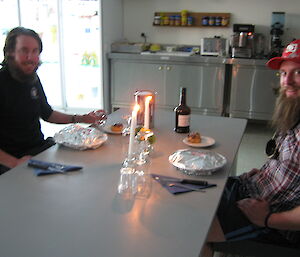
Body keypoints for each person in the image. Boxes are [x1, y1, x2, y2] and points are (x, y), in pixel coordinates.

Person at [202, 39, 300, 256]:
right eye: (284, 73)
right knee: (190, 191)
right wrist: (267, 172)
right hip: (253, 189)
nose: (288, 81)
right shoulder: (295, 113)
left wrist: (267, 219)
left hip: (272, 218)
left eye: (298, 72)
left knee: (192, 230)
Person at [0, 27, 106, 174]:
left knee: (86, 165)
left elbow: (47, 113)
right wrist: (14, 163)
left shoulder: (31, 79)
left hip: (37, 151)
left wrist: (82, 118)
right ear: (10, 52)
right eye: (24, 50)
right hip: (10, 162)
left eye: (35, 51)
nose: (30, 57)